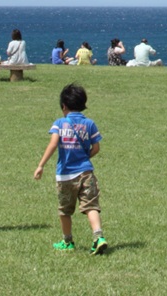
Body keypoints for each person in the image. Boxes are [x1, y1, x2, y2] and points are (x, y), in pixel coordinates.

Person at [34, 83, 108, 254]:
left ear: (63, 106)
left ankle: (67, 241)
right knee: (91, 206)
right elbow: (96, 148)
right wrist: (83, 157)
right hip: (86, 173)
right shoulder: (90, 124)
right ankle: (98, 237)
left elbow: (53, 144)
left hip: (65, 175)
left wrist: (40, 165)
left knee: (64, 210)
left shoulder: (60, 123)